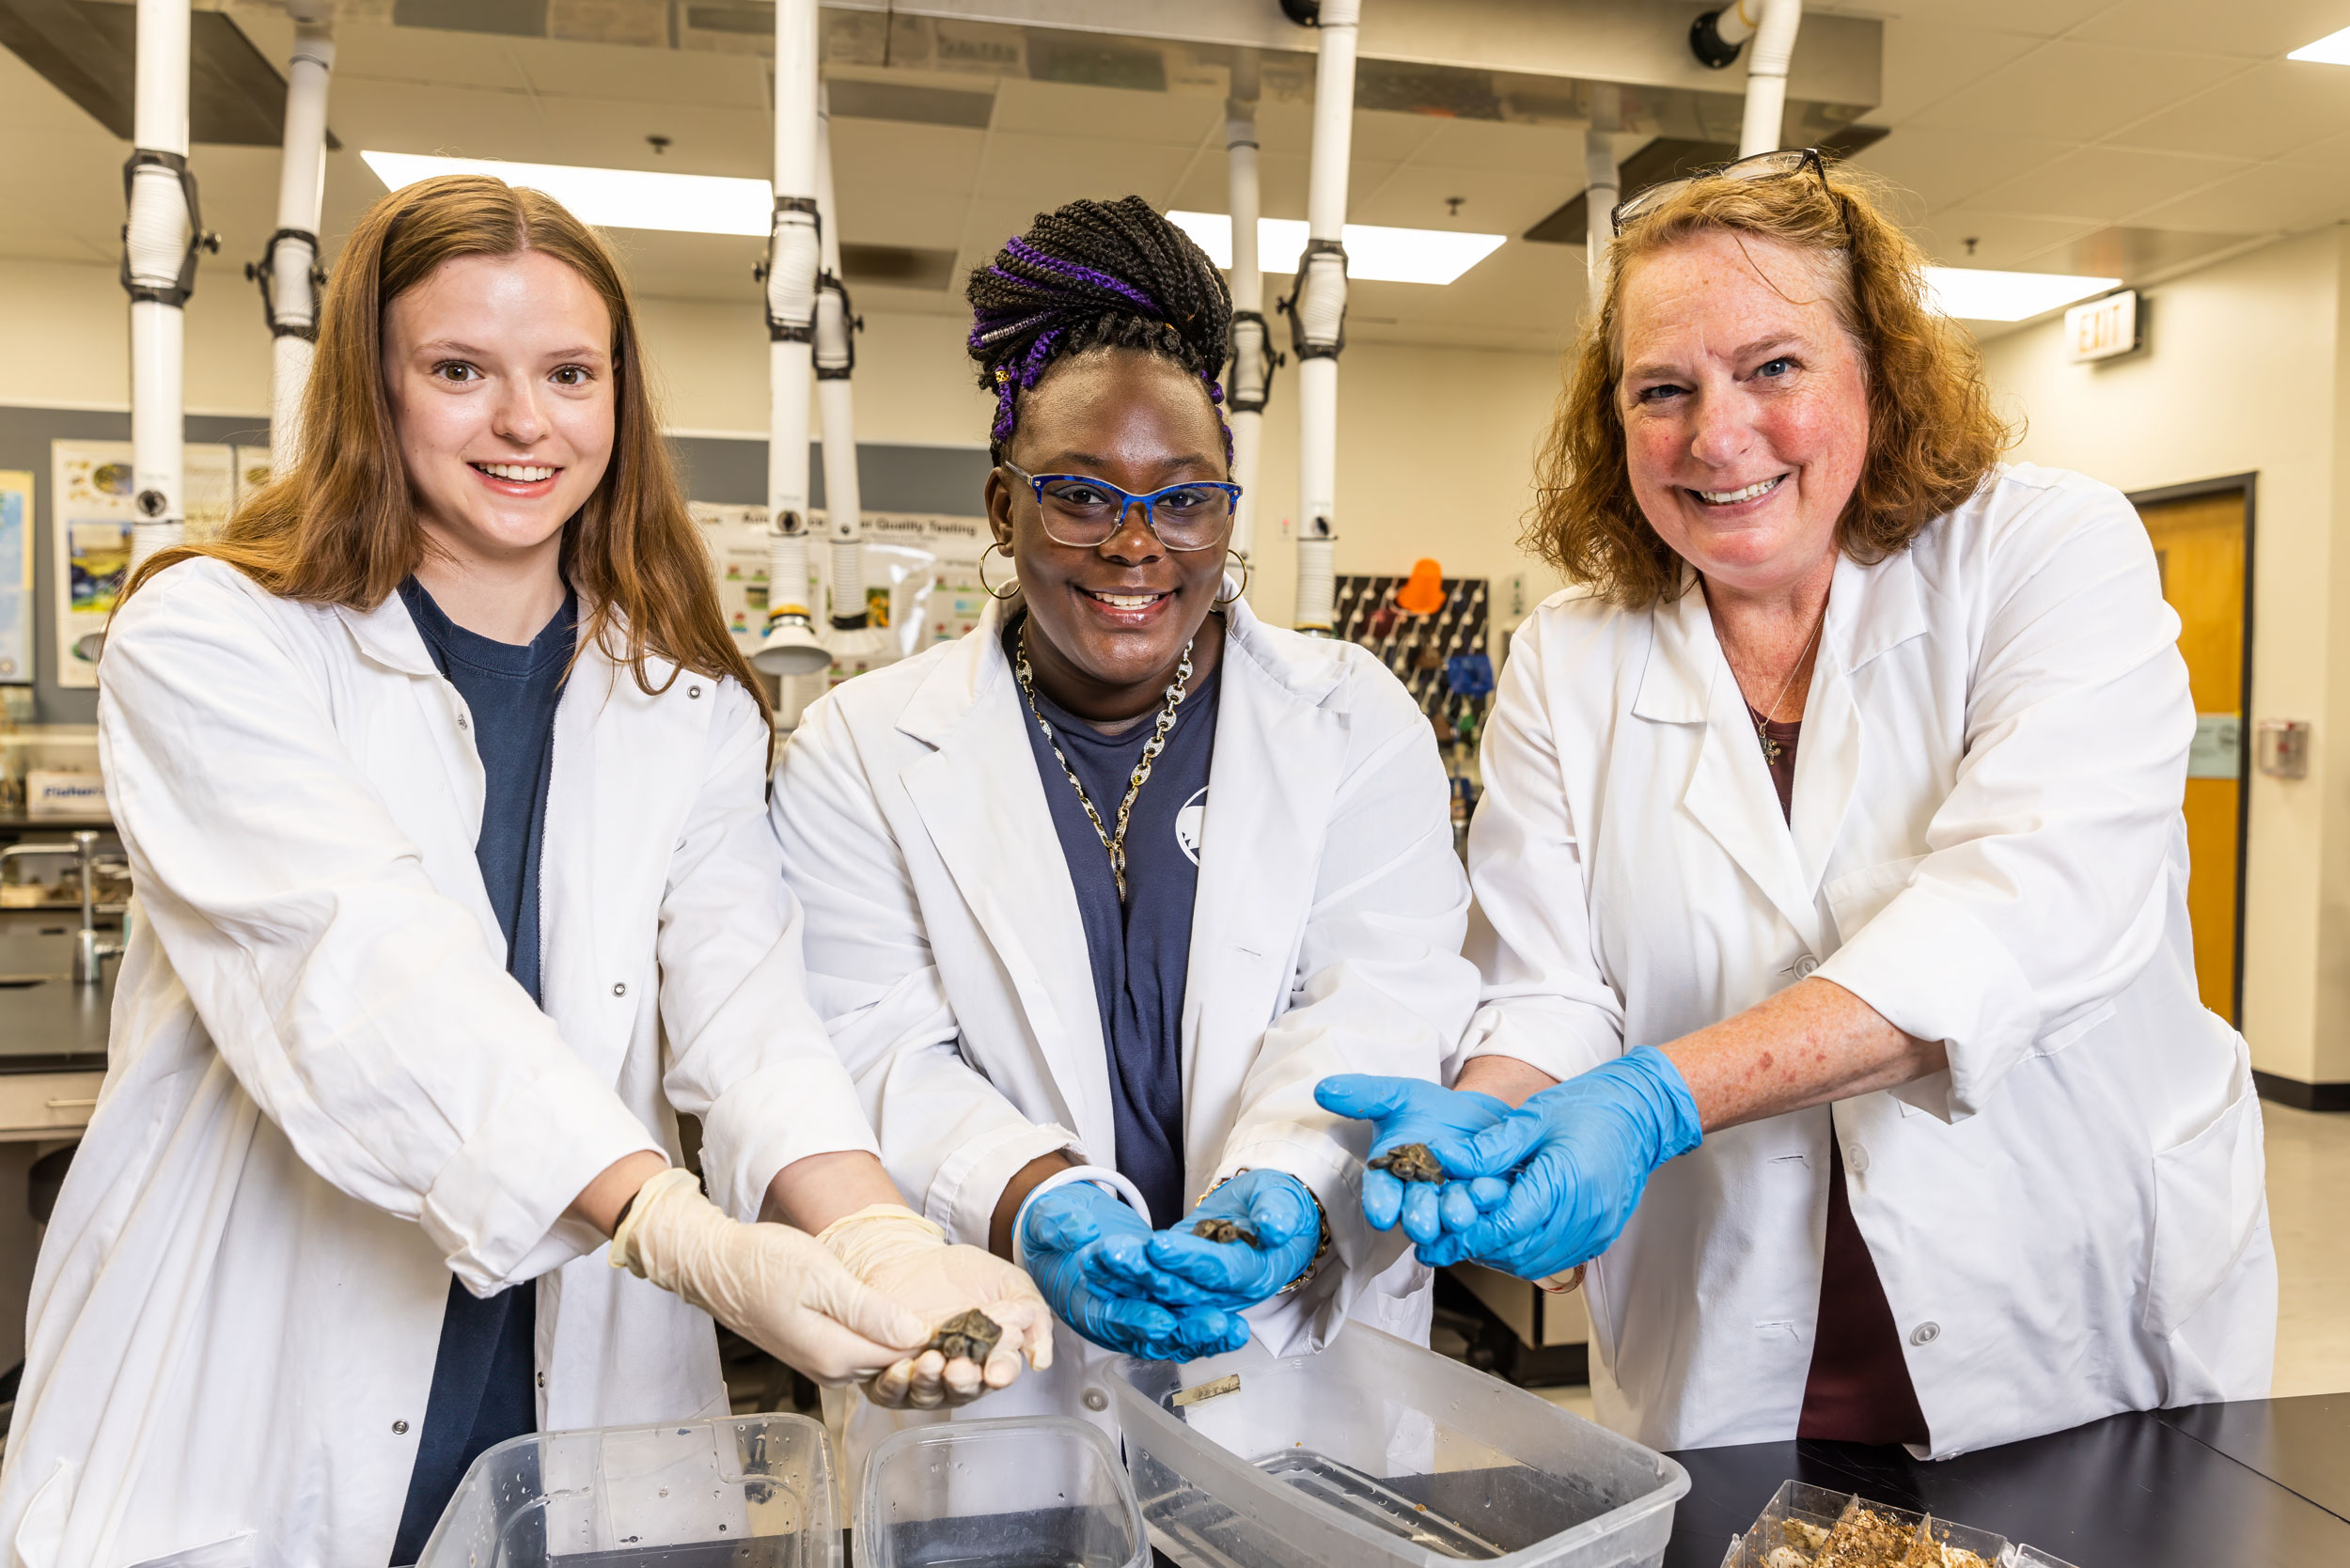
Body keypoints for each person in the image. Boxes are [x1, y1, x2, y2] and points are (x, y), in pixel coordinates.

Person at [0, 176, 1048, 1567]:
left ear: (619, 397)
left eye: (568, 373)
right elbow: (371, 974)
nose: (523, 422)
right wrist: (672, 1225)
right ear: (373, 386)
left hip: (586, 1391)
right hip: (258, 1375)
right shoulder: (216, 638)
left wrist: (880, 1240)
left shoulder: (684, 702)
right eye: (458, 371)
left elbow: (751, 1023)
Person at [1321, 151, 2277, 1458]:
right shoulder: (1570, 653)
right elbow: (1552, 984)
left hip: (2068, 1307)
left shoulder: (2047, 553)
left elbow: (2026, 911)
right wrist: (1489, 1121)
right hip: (1732, 1328)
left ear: (1878, 373)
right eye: (1663, 389)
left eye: (1774, 367)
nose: (1716, 437)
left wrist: (1653, 1100)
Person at [770, 196, 1480, 1470]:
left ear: (1227, 512)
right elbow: (870, 1044)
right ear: (1002, 508)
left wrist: (1283, 1184)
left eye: (1185, 499)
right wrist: (1034, 1200)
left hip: (1297, 1373)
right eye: (1080, 498)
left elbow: (1384, 997)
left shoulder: (1351, 720)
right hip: (1000, 1380)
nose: (1139, 545)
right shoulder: (859, 749)